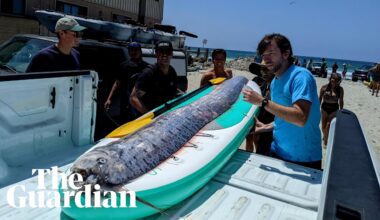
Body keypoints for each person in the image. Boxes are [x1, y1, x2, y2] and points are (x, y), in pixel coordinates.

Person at [242, 33, 322, 169]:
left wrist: (263, 102)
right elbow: (284, 115)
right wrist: (267, 127)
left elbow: (300, 117)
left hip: (304, 158)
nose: (266, 59)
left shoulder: (300, 77)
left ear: (286, 54)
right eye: (263, 55)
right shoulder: (275, 82)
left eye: (271, 53)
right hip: (277, 151)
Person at [130, 41, 183, 114]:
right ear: (156, 54)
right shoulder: (148, 73)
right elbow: (133, 98)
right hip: (150, 116)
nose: (164, 55)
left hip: (164, 113)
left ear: (172, 54)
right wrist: (150, 115)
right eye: (160, 52)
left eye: (168, 52)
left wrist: (184, 96)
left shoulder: (172, 72)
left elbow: (174, 90)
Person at [104, 42, 149, 122]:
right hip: (126, 103)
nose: (133, 52)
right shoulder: (123, 66)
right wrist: (109, 99)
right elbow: (117, 83)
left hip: (143, 102)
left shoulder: (147, 67)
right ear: (128, 52)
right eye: (131, 50)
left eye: (136, 50)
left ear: (140, 52)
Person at [245, 62, 274, 155]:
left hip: (268, 121)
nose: (264, 72)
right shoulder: (255, 81)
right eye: (262, 69)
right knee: (249, 139)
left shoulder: (276, 86)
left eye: (267, 69)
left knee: (260, 144)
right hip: (255, 116)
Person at [319, 73, 344, 145]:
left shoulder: (340, 89)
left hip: (334, 108)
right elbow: (320, 98)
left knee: (328, 125)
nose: (333, 80)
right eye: (332, 78)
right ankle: (325, 136)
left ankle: (326, 141)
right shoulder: (324, 87)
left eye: (336, 79)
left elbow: (341, 100)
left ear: (339, 81)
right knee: (323, 126)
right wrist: (317, 108)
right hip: (324, 108)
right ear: (330, 78)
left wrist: (341, 110)